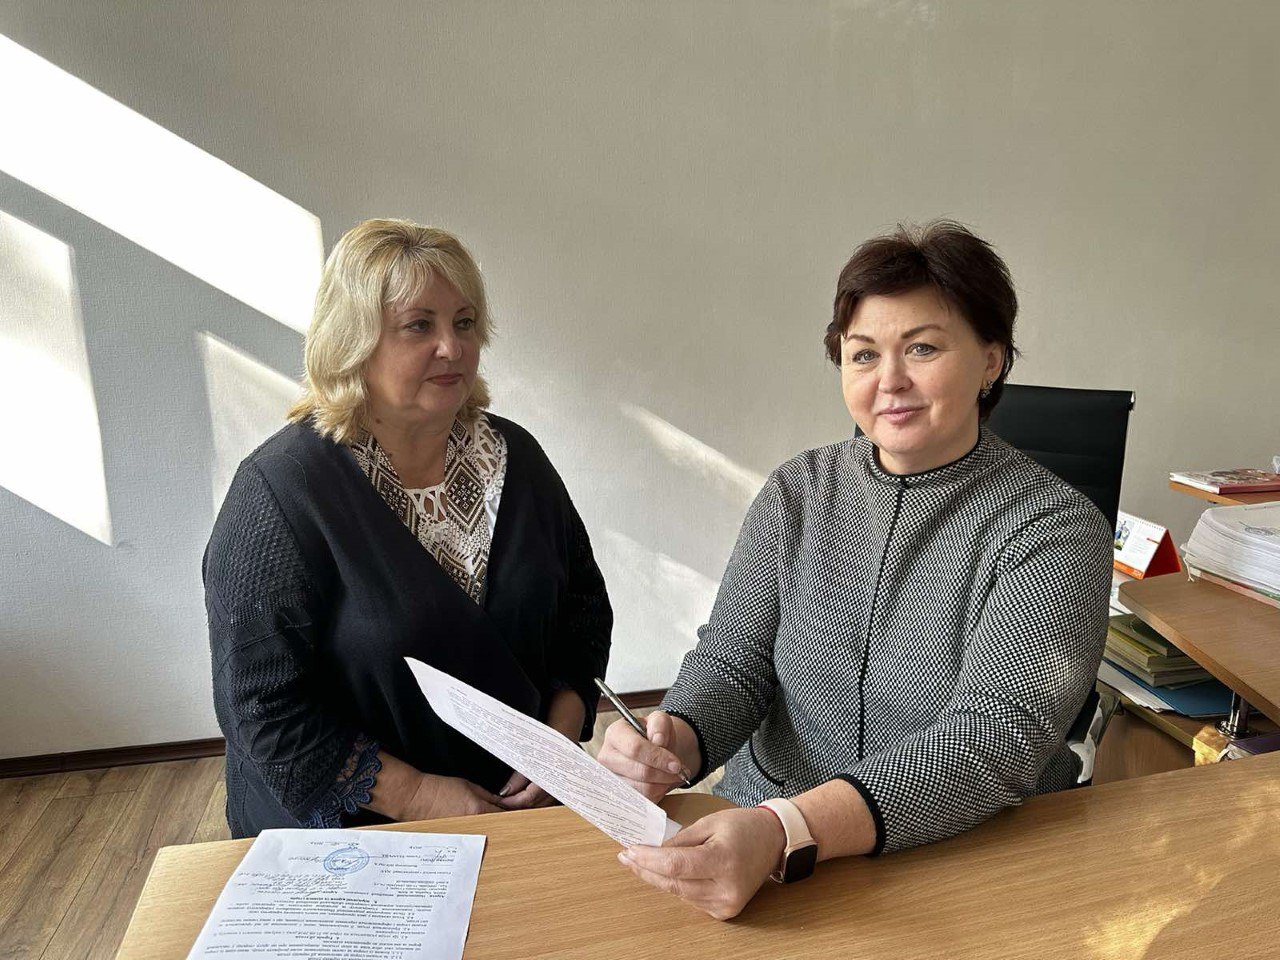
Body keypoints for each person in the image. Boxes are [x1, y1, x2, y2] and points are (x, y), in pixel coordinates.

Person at [597, 220, 1111, 919]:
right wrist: (674, 739)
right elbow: (734, 664)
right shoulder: (798, 491)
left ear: (991, 360)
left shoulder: (1054, 526)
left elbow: (996, 736)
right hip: (755, 832)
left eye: (922, 348)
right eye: (863, 354)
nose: (890, 381)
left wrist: (789, 828)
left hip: (962, 859)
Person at [205, 219, 611, 838]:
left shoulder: (517, 459)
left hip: (522, 813)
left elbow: (582, 608)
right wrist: (418, 796)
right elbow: (261, 706)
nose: (452, 347)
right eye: (419, 326)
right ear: (354, 342)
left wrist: (556, 744)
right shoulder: (282, 489)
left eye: (465, 323)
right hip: (354, 836)